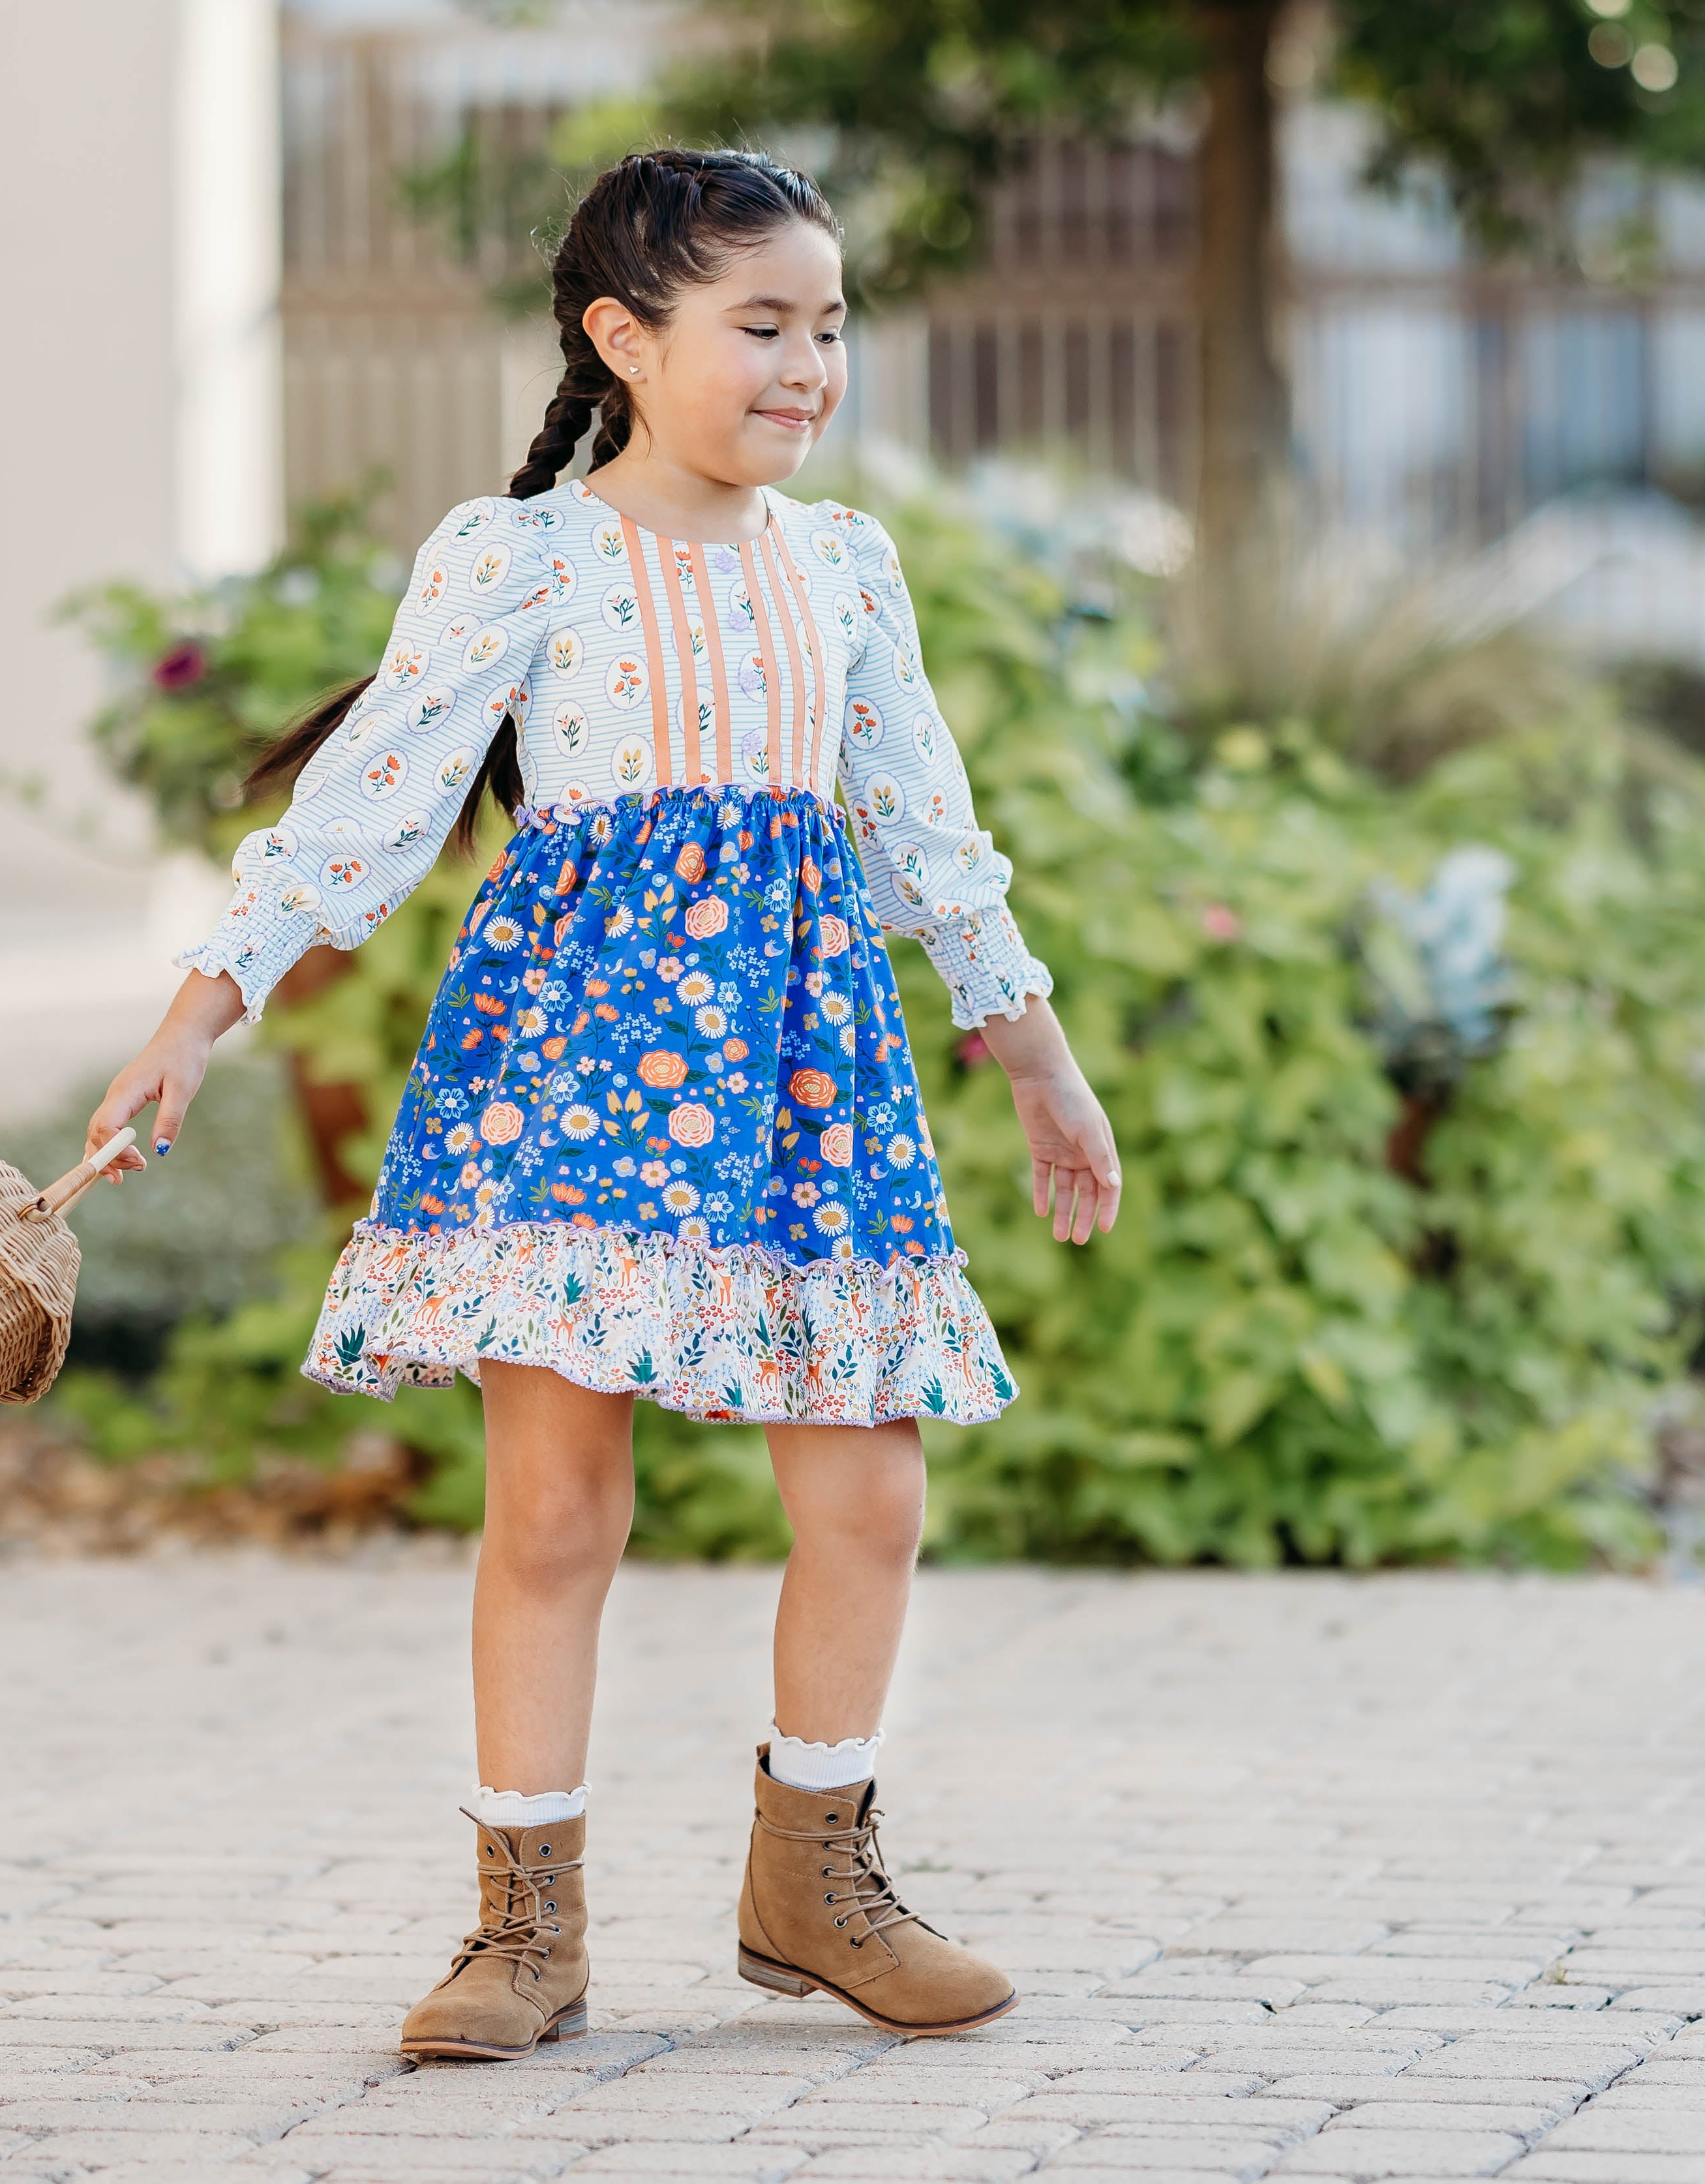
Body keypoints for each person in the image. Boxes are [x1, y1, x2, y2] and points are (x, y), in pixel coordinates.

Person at [87, 146, 1120, 2062]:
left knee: (871, 1489)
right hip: (573, 1070)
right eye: (763, 326)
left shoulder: (843, 563)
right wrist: (197, 1013)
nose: (810, 364)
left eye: (830, 324)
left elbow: (924, 834)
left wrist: (1039, 1064)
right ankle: (522, 1927)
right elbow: (373, 798)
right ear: (621, 339)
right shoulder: (526, 557)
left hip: (807, 1074)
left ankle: (814, 1876)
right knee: (558, 1506)